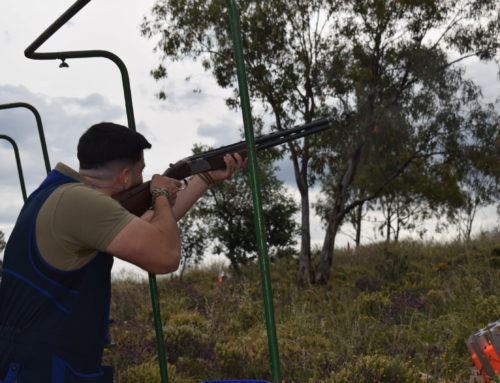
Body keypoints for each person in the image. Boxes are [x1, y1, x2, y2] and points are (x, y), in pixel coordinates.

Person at [0, 122, 245, 382]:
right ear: (126, 176)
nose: (143, 180)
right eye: (141, 172)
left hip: (43, 359)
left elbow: (151, 228)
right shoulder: (80, 202)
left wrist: (204, 178)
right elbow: (165, 256)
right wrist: (160, 193)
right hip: (40, 367)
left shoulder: (63, 194)